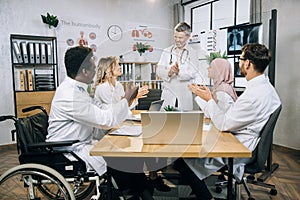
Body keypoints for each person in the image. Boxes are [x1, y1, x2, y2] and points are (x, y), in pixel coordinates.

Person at [174, 43, 281, 199]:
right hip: (243, 139)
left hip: (239, 145)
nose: (238, 63)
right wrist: (206, 99)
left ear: (248, 63)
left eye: (240, 59)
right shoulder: (265, 89)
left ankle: (205, 197)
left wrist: (208, 99)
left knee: (183, 162)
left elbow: (224, 123)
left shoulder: (254, 96)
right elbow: (230, 116)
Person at [46, 46, 153, 199]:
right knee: (121, 159)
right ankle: (133, 192)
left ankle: (139, 191)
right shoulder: (70, 96)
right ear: (84, 71)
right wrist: (126, 99)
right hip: (69, 152)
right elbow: (106, 120)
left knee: (127, 158)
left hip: (82, 144)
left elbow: (103, 108)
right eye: (93, 66)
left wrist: (128, 101)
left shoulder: (79, 90)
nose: (96, 70)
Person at [92, 56, 171, 192]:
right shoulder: (103, 88)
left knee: (147, 140)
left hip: (118, 125)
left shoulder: (117, 86)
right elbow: (114, 112)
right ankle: (143, 182)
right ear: (108, 70)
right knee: (140, 144)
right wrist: (130, 98)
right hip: (107, 132)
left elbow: (124, 109)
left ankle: (151, 177)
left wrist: (134, 98)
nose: (120, 67)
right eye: (116, 65)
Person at [157, 22, 207, 111]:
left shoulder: (192, 53)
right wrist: (169, 72)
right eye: (175, 37)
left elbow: (193, 72)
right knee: (166, 119)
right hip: (169, 90)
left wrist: (179, 72)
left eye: (180, 37)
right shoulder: (166, 51)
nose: (177, 40)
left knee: (185, 120)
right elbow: (159, 70)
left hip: (184, 91)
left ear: (188, 37)